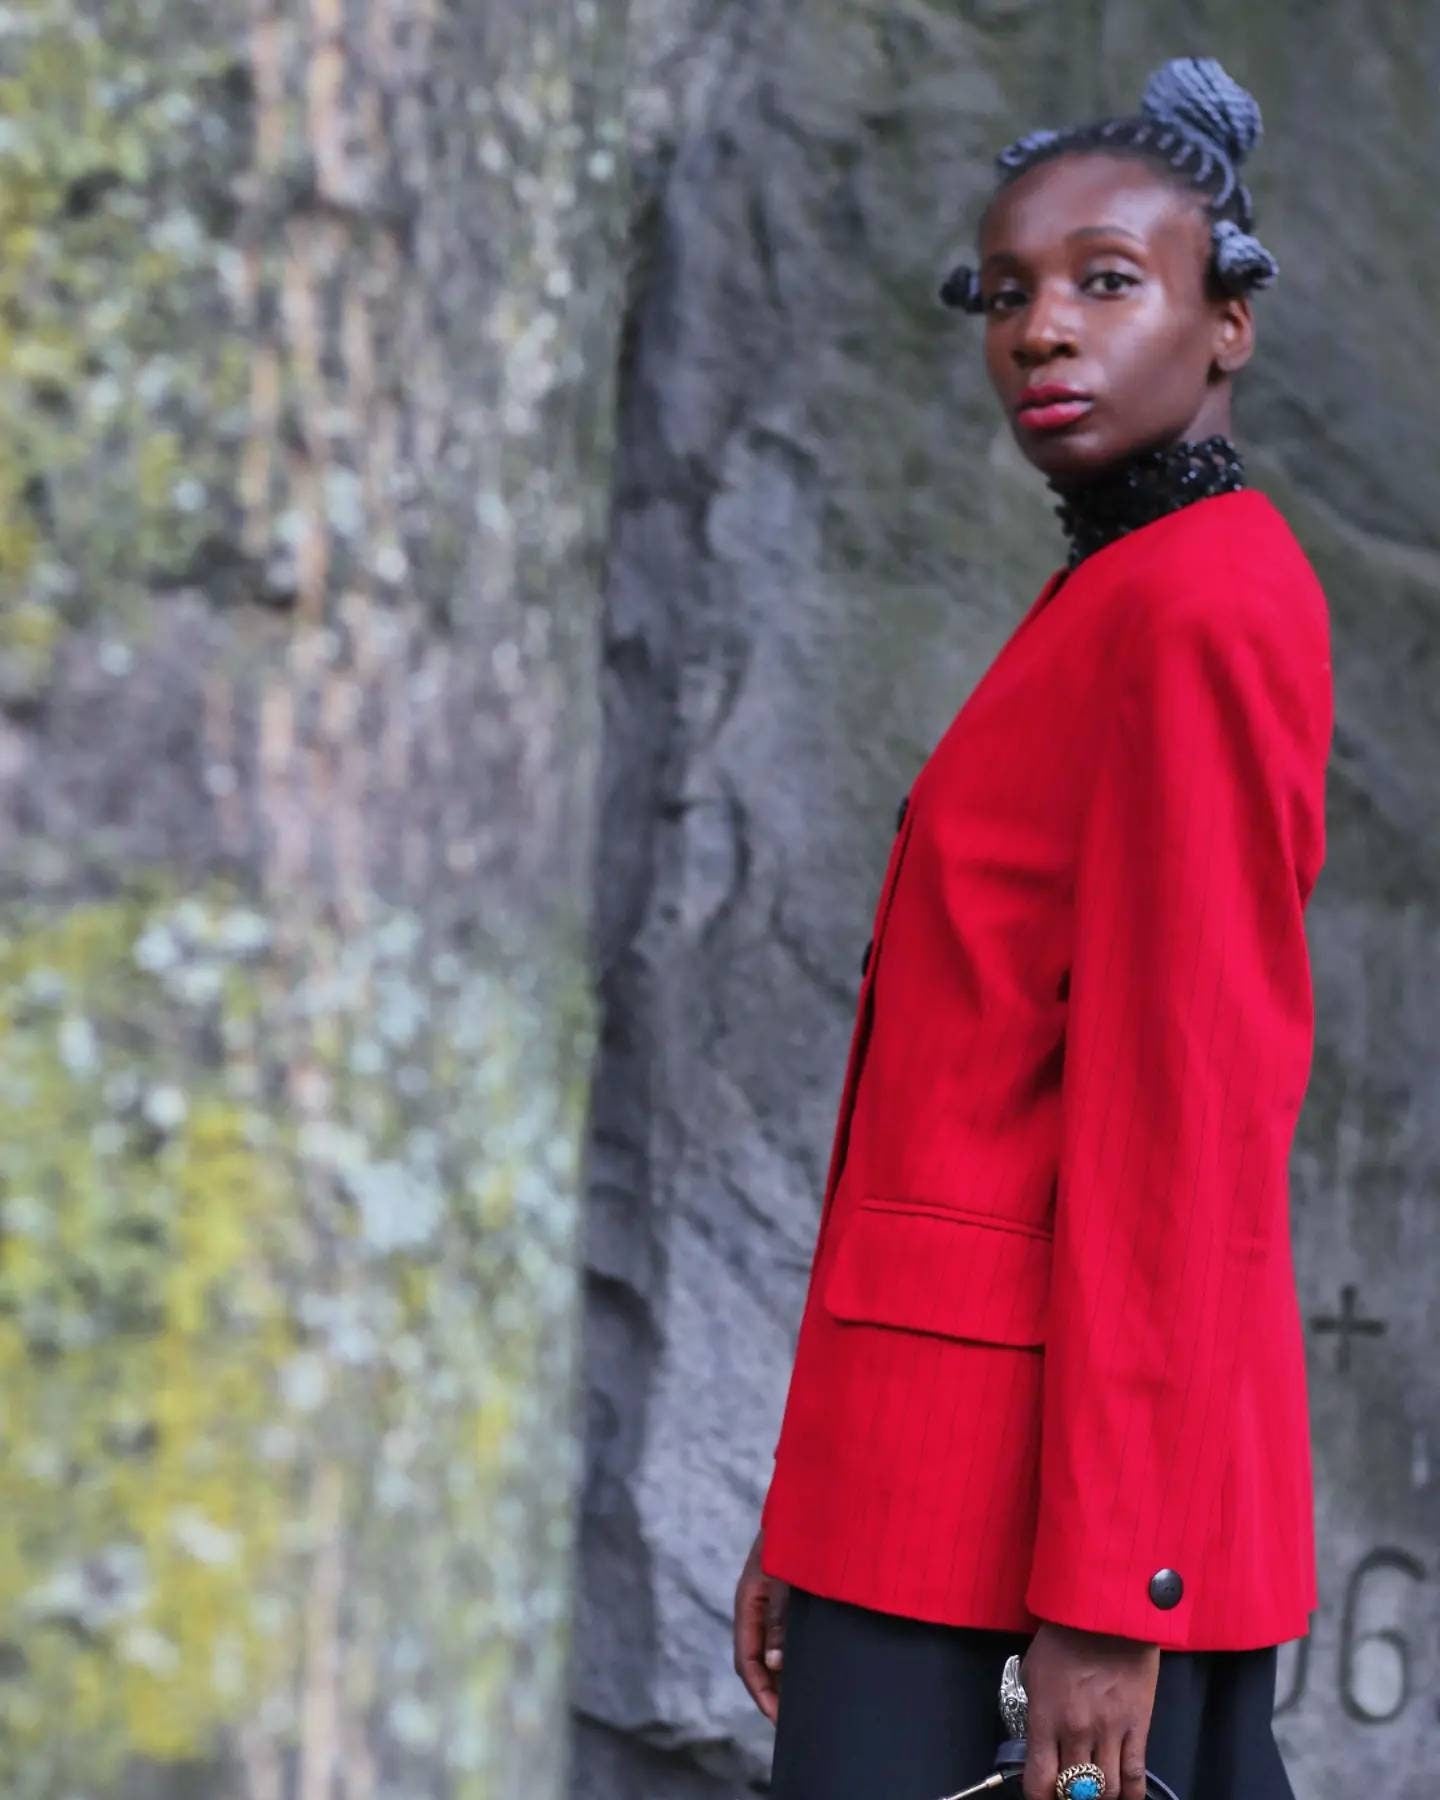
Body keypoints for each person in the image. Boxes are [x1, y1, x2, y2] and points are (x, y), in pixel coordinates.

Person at [732, 56, 1333, 1800]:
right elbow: (942, 1115)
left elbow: (1184, 1115)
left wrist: (1112, 1591)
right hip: (928, 1497)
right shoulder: (1116, 593)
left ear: (1230, 325)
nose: (1041, 332)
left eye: (1106, 283)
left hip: (1043, 1538)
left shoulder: (1203, 609)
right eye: (1007, 295)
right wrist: (820, 1497)